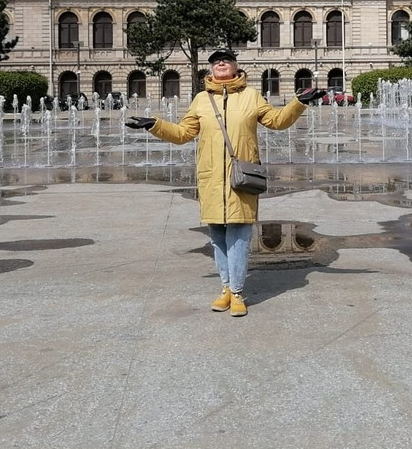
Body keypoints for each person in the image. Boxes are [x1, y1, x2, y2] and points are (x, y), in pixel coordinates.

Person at [124, 49, 324, 317]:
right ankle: (226, 288)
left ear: (235, 66)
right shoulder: (201, 100)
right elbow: (184, 133)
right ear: (210, 68)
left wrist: (298, 103)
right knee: (218, 236)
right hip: (211, 178)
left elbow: (276, 122)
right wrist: (155, 124)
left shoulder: (251, 96)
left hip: (241, 178)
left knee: (239, 237)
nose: (221, 63)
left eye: (226, 60)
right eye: (216, 60)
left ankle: (238, 292)